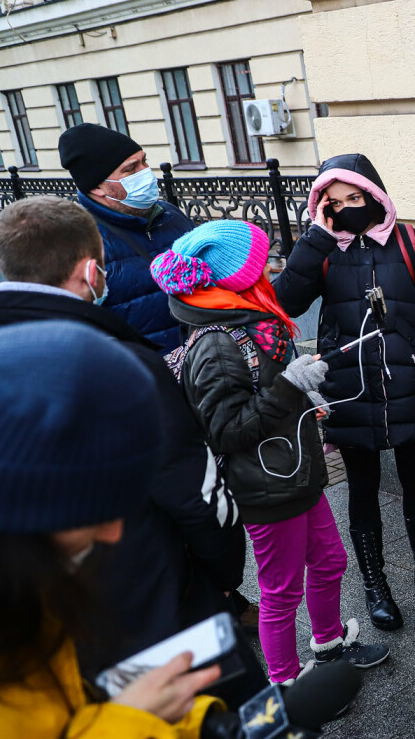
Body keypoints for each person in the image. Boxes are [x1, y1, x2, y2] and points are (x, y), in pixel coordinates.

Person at [0, 198, 359, 739]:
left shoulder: (43, 620)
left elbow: (93, 714)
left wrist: (208, 734)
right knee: (243, 690)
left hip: (145, 620)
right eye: (92, 499)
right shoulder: (120, 358)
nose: (110, 525)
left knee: (242, 716)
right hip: (172, 602)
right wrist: (221, 582)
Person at [0, 319, 225, 739]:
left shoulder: (31, 597)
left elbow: (64, 736)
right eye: (96, 500)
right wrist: (126, 732)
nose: (115, 531)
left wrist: (188, 730)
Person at [152, 220, 389, 686]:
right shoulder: (218, 342)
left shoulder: (250, 322)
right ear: (237, 277)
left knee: (329, 562)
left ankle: (329, 647)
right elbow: (226, 431)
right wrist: (289, 388)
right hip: (266, 486)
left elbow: (263, 395)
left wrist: (302, 399)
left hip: (292, 474)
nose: (267, 270)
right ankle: (284, 683)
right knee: (281, 592)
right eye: (260, 262)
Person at [275, 154, 415, 631]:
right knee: (361, 490)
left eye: (354, 198)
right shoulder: (321, 250)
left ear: (373, 195)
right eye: (333, 203)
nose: (346, 209)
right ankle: (375, 584)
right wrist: (315, 240)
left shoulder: (409, 242)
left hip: (410, 387)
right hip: (350, 390)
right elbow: (283, 303)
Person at [58, 122, 193, 349]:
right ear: (97, 187)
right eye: (131, 169)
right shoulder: (79, 243)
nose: (146, 172)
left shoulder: (170, 214)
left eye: (144, 161)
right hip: (146, 375)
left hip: (204, 367)